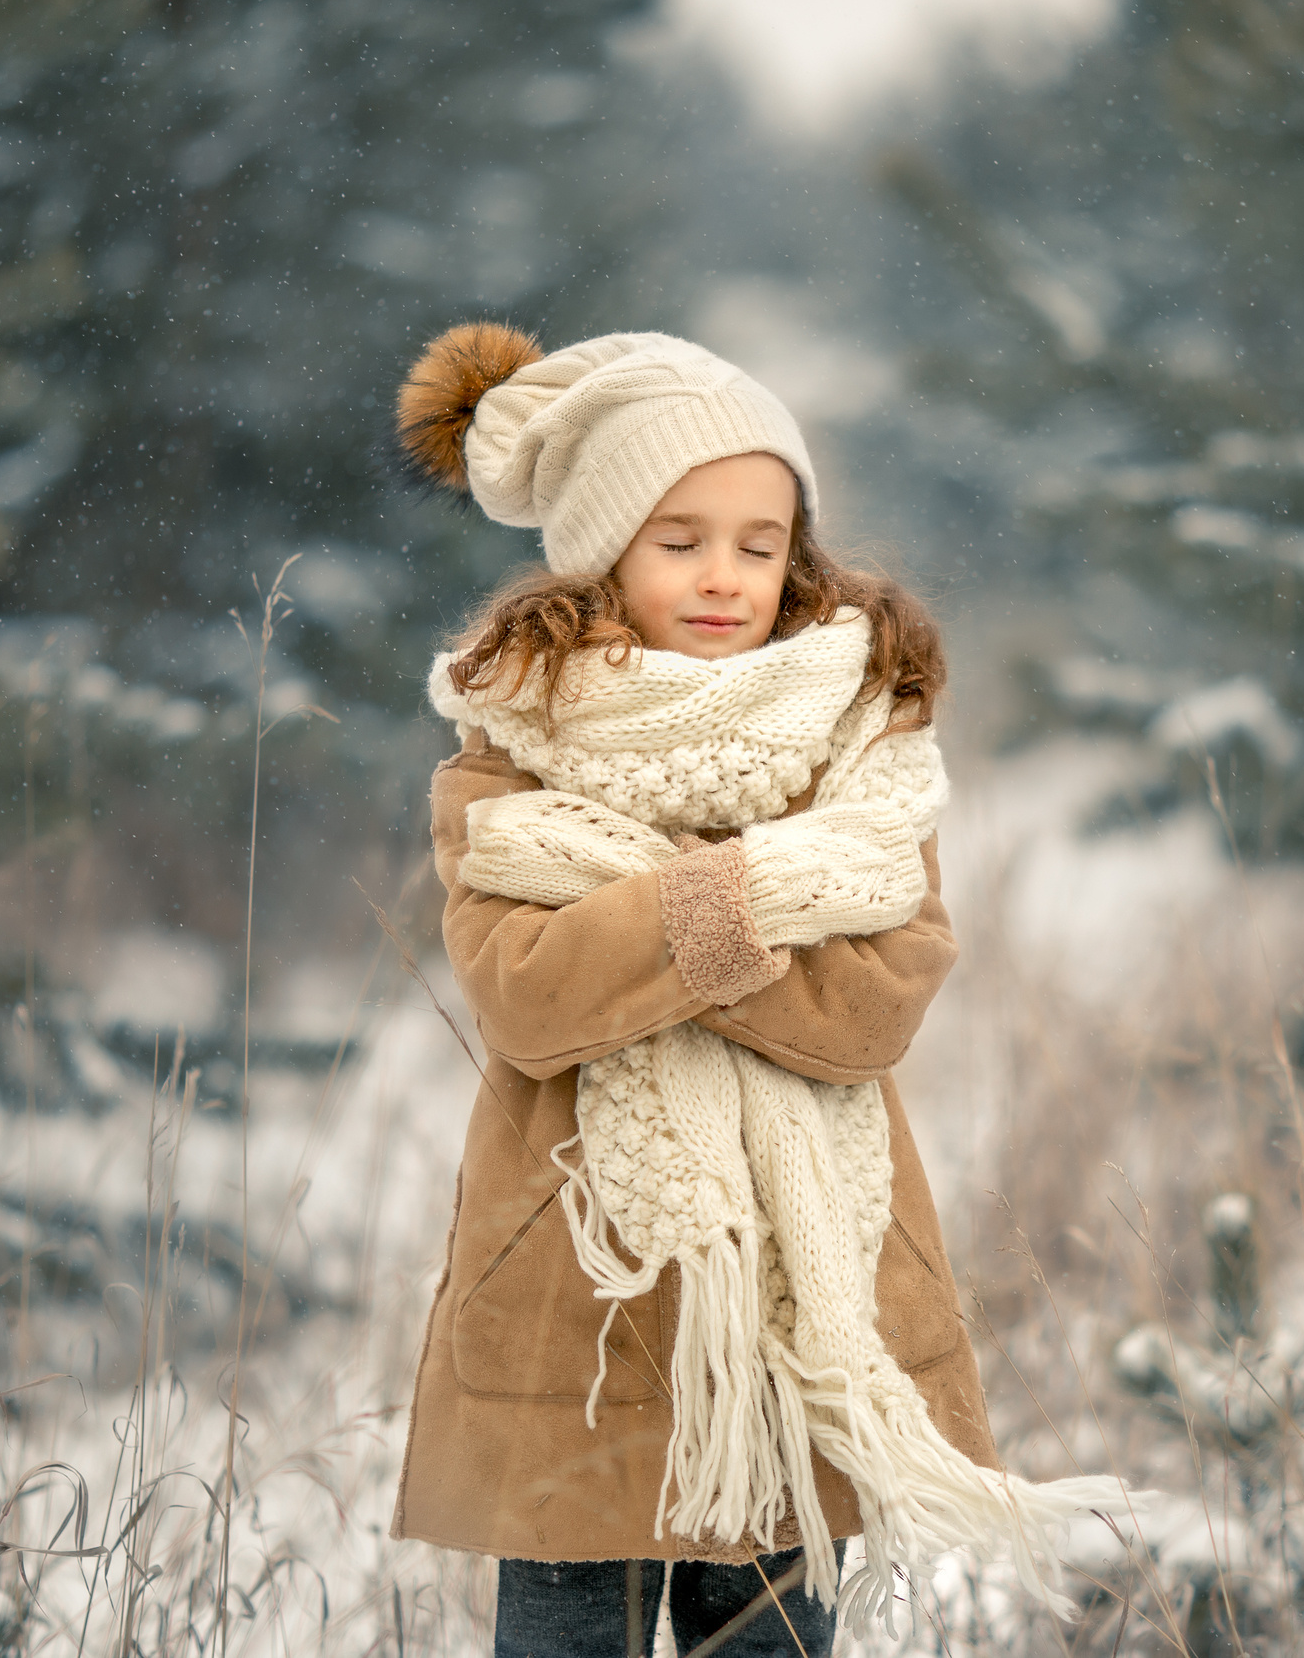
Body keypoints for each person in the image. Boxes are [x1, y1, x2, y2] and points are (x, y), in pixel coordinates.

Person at [384, 327, 1120, 1657]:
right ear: (604, 551)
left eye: (758, 543)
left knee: (773, 1639)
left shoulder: (865, 755)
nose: (725, 575)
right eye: (680, 541)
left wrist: (643, 919)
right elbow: (529, 998)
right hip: (581, 1286)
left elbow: (874, 1006)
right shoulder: (509, 751)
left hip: (802, 1298)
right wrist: (764, 898)